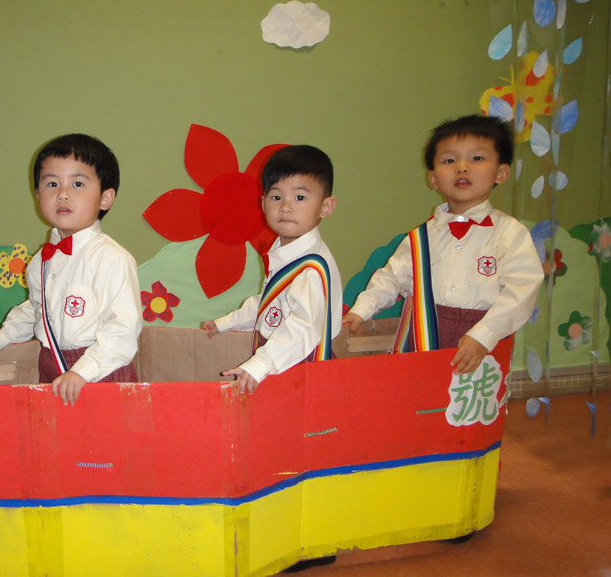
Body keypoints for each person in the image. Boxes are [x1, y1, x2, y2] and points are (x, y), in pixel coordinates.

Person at [343, 114, 544, 374]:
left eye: (477, 158)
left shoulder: (510, 234)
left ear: (501, 172)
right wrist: (361, 311)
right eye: (449, 160)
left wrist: (484, 335)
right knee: (421, 393)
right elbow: (391, 278)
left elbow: (522, 290)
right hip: (423, 335)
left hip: (482, 342)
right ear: (433, 179)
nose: (462, 167)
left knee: (471, 398)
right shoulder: (420, 238)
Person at [0, 133, 142, 405]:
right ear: (38, 194)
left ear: (105, 198)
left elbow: (122, 328)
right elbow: (38, 308)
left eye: (77, 184)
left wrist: (82, 371)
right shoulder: (40, 260)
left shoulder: (111, 258)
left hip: (101, 371)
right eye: (52, 183)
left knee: (107, 432)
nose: (62, 194)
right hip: (50, 365)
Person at [202, 145, 343, 395]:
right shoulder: (286, 252)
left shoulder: (311, 269)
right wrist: (225, 323)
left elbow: (303, 328)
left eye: (299, 198)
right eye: (276, 197)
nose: (285, 206)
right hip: (280, 357)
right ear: (263, 203)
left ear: (326, 207)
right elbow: (268, 303)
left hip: (298, 362)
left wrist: (261, 364)